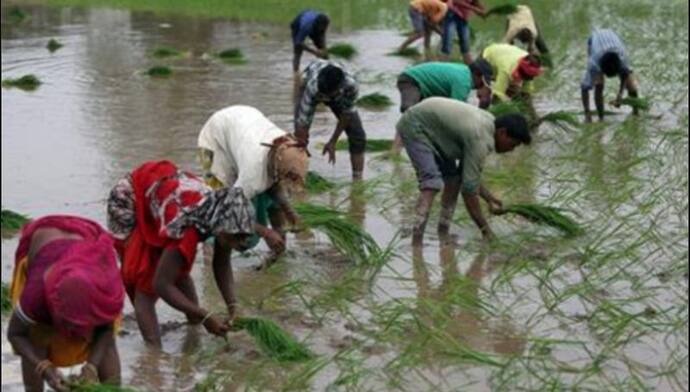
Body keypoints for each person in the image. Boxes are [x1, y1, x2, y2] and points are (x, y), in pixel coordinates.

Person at [106, 160, 255, 347]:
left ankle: (193, 328)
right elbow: (161, 285)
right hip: (130, 201)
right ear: (220, 226)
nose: (236, 243)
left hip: (164, 197)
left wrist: (233, 306)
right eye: (234, 237)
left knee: (175, 268)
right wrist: (205, 315)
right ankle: (153, 356)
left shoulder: (222, 216)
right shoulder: (187, 229)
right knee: (144, 282)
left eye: (240, 237)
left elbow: (221, 263)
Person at [7, 215, 125, 392]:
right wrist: (44, 367)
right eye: (68, 322)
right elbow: (15, 334)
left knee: (106, 346)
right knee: (37, 336)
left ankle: (114, 389)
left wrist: (91, 367)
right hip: (46, 243)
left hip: (86, 237)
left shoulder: (104, 291)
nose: (73, 333)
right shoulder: (36, 295)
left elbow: (106, 329)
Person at [396, 97, 531, 245]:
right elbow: (469, 191)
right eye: (513, 144)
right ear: (502, 133)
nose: (511, 150)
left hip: (437, 130)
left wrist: (489, 198)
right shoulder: (481, 140)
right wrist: (486, 231)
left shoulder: (489, 125)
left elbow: (469, 177)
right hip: (415, 125)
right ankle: (417, 242)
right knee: (431, 183)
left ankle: (443, 232)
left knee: (453, 181)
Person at [198, 105, 309, 269]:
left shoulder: (285, 147)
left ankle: (276, 258)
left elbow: (274, 183)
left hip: (241, 125)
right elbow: (231, 210)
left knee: (270, 199)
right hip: (213, 142)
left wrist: (290, 212)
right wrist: (265, 232)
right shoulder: (253, 173)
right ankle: (210, 264)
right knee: (219, 206)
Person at [393, 60, 494, 152]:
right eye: (483, 81)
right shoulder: (464, 82)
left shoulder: (464, 72)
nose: (481, 85)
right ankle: (395, 150)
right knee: (410, 114)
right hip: (412, 80)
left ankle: (402, 149)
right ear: (477, 75)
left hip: (423, 86)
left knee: (419, 118)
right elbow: (455, 112)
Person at [294, 59, 367, 180]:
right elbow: (303, 121)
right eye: (324, 95)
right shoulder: (313, 87)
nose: (326, 99)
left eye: (329, 95)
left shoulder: (351, 86)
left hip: (339, 94)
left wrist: (333, 141)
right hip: (309, 82)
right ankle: (298, 176)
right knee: (299, 139)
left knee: (358, 136)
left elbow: (346, 114)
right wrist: (302, 144)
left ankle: (357, 180)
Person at [581, 29, 639, 123]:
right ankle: (601, 118)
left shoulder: (622, 57)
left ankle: (636, 112)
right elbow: (584, 88)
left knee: (631, 85)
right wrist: (587, 113)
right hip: (594, 40)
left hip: (612, 37)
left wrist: (619, 96)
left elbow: (625, 74)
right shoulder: (594, 63)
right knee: (599, 85)